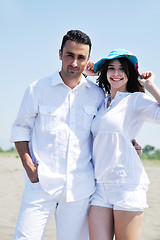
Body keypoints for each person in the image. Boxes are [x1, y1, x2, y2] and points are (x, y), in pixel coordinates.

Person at [10, 31, 141, 240]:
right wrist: (28, 165)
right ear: (60, 54)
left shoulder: (97, 94)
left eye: (81, 57)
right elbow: (20, 128)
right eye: (70, 55)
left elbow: (106, 126)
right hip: (40, 184)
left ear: (88, 60)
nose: (74, 62)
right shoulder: (37, 89)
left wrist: (129, 143)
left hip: (80, 189)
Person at [86, 49, 160, 240]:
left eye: (122, 69)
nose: (116, 73)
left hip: (127, 185)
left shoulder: (136, 100)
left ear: (130, 73)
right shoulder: (100, 101)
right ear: (105, 72)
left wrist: (151, 86)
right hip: (100, 186)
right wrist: (87, 73)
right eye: (111, 68)